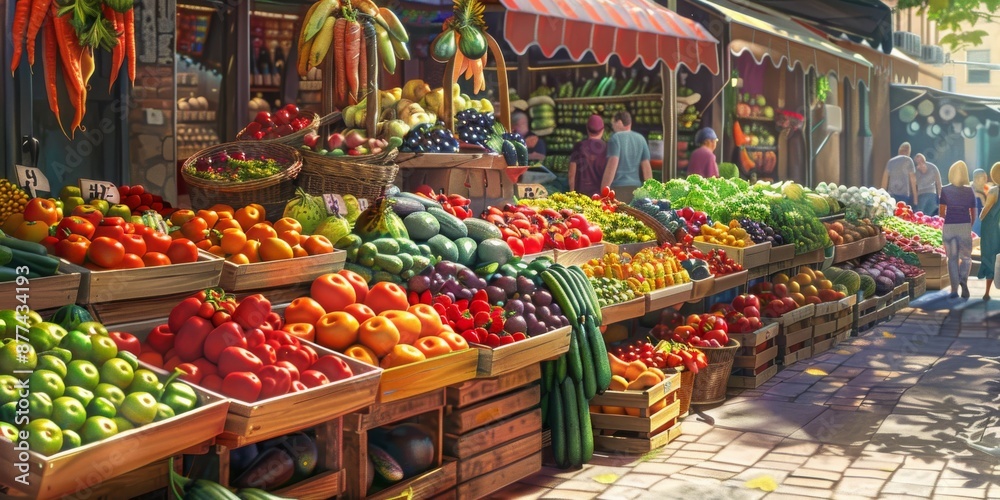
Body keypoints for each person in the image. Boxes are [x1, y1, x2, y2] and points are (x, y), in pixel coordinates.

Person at [939, 161, 977, 299]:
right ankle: (963, 279)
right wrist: (968, 226)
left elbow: (941, 212)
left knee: (952, 258)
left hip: (949, 226)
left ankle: (954, 290)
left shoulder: (945, 190)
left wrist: (948, 222)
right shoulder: (969, 190)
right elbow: (973, 213)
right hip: (964, 225)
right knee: (966, 257)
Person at [600, 111, 652, 203]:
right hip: (636, 189)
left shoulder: (615, 138)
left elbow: (612, 166)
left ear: (619, 122)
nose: (612, 127)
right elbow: (646, 168)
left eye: (613, 124)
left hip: (618, 189)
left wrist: (604, 190)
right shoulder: (641, 139)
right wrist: (650, 190)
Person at [567, 115, 607, 196]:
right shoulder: (607, 148)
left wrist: (572, 193)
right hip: (599, 196)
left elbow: (571, 173)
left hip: (580, 195)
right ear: (603, 130)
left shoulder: (579, 146)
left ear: (587, 129)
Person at [977, 163, 1000, 300]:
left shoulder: (993, 191)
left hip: (991, 229)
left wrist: (980, 216)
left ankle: (987, 292)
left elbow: (985, 211)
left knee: (990, 256)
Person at [881, 142, 918, 207]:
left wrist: (882, 195)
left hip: (891, 194)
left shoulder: (891, 161)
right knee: (903, 211)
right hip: (904, 195)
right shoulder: (909, 160)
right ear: (908, 152)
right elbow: (913, 180)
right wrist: (915, 198)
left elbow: (885, 179)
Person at [972, 169, 988, 236]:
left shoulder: (986, 189)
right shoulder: (969, 189)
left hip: (984, 221)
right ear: (976, 179)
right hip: (974, 222)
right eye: (983, 177)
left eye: (986, 177)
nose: (986, 180)